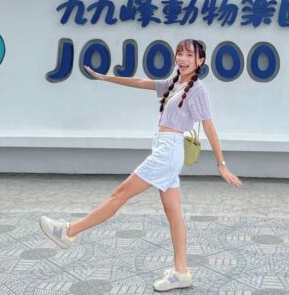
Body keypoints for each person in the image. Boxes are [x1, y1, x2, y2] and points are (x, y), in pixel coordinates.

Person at [38, 39, 243, 291]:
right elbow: (139, 82)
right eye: (179, 53)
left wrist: (221, 163)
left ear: (200, 61)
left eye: (189, 54)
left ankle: (69, 231)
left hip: (168, 151)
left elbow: (209, 125)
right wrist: (106, 78)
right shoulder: (175, 84)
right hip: (164, 149)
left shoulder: (197, 90)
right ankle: (181, 272)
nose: (183, 58)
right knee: (174, 213)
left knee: (120, 194)